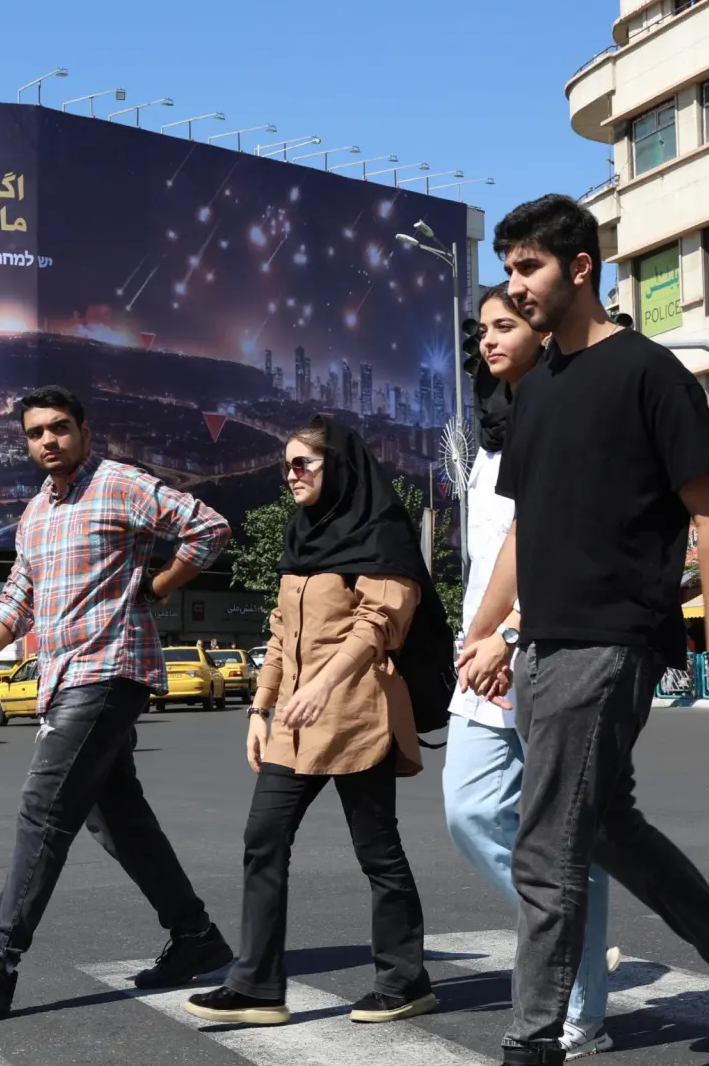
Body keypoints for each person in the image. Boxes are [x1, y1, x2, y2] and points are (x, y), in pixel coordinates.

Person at [456, 195, 709, 1066]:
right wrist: (484, 630)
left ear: (581, 269)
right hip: (541, 646)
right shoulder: (536, 392)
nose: (516, 287)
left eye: (530, 268)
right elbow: (522, 537)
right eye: (508, 270)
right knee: (606, 827)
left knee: (545, 847)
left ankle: (530, 1043)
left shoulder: (652, 374)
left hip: (611, 639)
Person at [0, 384, 233, 1015]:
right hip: (61, 679)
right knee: (115, 815)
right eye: (36, 432)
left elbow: (208, 527)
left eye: (60, 428)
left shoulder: (119, 484)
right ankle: (196, 937)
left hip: (109, 672)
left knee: (45, 807)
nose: (48, 441)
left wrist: (162, 583)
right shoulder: (35, 514)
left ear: (85, 432)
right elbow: (17, 602)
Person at [184, 417, 435, 1027]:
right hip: (294, 721)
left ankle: (404, 980)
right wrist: (259, 707)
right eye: (286, 466)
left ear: (339, 467)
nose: (291, 476)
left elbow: (379, 622)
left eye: (304, 464)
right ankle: (257, 986)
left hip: (357, 714)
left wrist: (323, 684)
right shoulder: (303, 535)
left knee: (377, 850)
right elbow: (280, 631)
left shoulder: (380, 531)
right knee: (263, 839)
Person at [442, 284, 616, 1059]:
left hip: (549, 647)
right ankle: (561, 922)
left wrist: (508, 632)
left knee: (570, 839)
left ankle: (581, 1013)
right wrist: (476, 633)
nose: (487, 339)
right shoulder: (486, 443)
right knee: (469, 809)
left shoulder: (573, 421)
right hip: (483, 653)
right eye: (481, 329)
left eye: (504, 324)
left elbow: (569, 544)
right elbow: (492, 559)